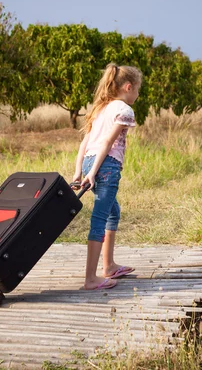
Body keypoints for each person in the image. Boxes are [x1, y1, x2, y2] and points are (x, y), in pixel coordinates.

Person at [72, 63, 142, 290]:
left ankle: (109, 265)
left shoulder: (101, 108)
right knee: (100, 219)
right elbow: (107, 143)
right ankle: (91, 279)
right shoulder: (124, 110)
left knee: (113, 211)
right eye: (138, 90)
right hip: (106, 166)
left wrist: (79, 170)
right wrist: (91, 174)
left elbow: (85, 143)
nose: (138, 95)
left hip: (92, 161)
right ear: (128, 87)